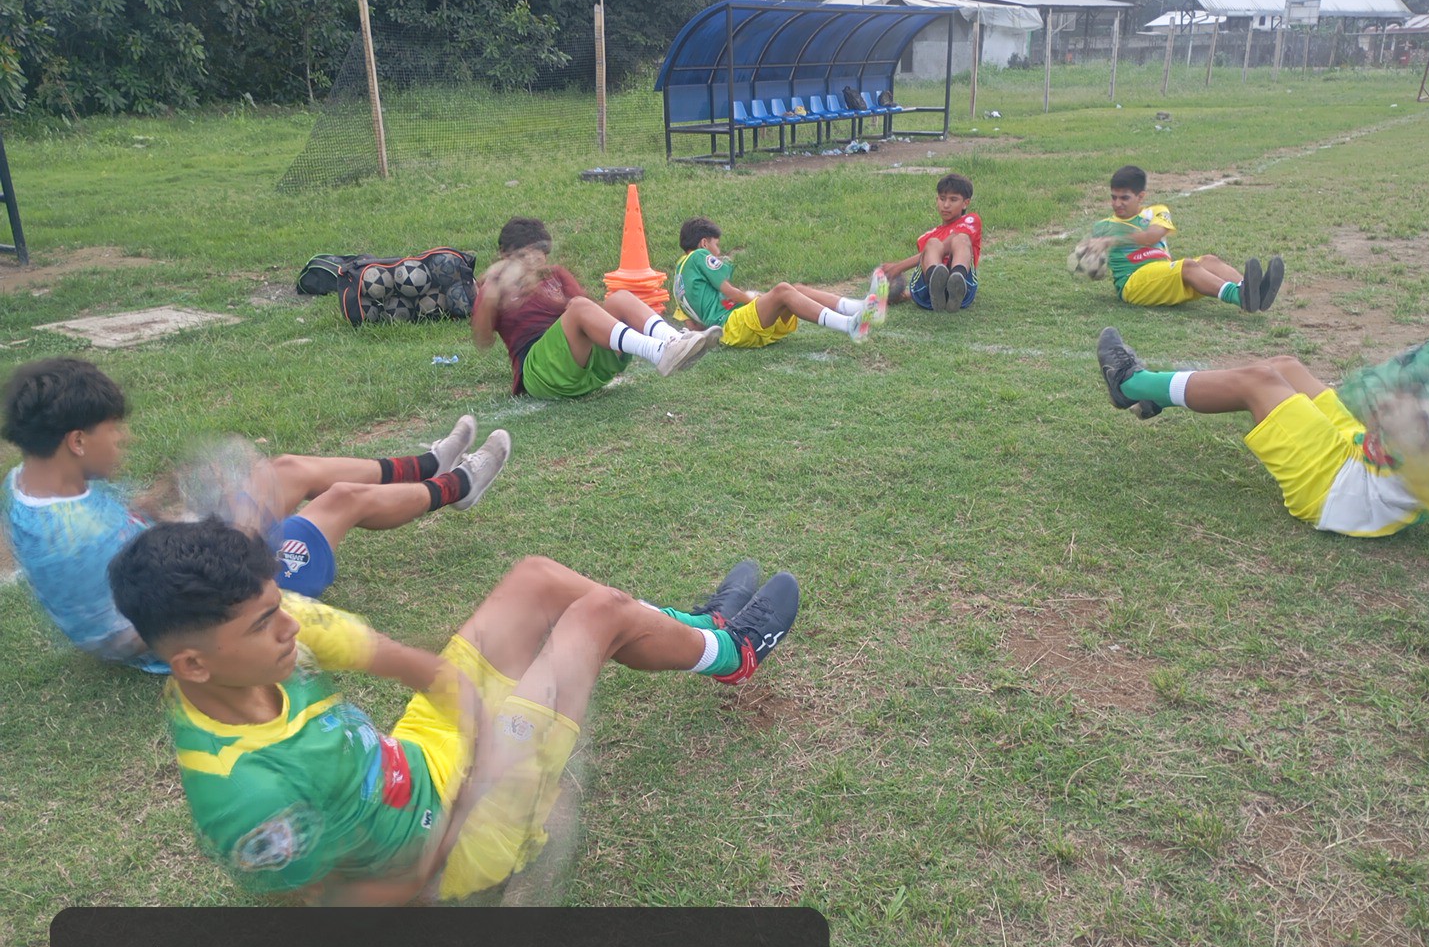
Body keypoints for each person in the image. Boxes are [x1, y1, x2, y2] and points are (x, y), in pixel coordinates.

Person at [108, 518, 801, 904]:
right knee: (599, 616)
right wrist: (474, 790)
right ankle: (732, 651)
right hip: (452, 848)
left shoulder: (263, 630)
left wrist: (470, 711)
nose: (290, 624)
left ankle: (703, 630)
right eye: (266, 622)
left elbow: (403, 662)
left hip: (423, 752)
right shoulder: (245, 797)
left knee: (537, 578)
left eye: (277, 605)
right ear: (193, 665)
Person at [0, 357, 509, 672]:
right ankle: (457, 487)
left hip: (178, 571)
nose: (124, 438)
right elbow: (135, 628)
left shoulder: (29, 482)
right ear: (77, 441)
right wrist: (235, 537)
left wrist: (164, 505)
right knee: (340, 500)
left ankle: (427, 464)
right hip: (213, 615)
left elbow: (119, 554)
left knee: (282, 469)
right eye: (113, 429)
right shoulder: (81, 537)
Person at [1097, 327, 1427, 537]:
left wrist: (1404, 413)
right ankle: (1156, 396)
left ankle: (1129, 384)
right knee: (1284, 367)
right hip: (1364, 452)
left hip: (1349, 490)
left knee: (1258, 382)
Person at [470, 217, 716, 399]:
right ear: (504, 256)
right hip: (542, 374)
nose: (534, 261)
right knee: (578, 307)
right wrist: (491, 297)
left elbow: (591, 312)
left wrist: (552, 298)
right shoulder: (495, 286)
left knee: (620, 298)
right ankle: (659, 352)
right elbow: (482, 340)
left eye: (539, 254)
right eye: (524, 256)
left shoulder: (555, 275)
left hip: (584, 364)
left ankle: (675, 341)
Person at [1091, 165, 1283, 313]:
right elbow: (1094, 271)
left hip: (1163, 275)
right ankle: (1240, 297)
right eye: (1113, 197)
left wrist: (1113, 240)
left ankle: (1255, 293)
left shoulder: (1157, 211)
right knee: (1187, 266)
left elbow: (1153, 236)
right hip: (1134, 284)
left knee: (1209, 260)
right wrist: (1091, 260)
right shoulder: (1103, 226)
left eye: (1124, 198)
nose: (1117, 204)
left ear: (1140, 196)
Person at [674, 217, 881, 347]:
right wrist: (754, 299)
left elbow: (692, 325)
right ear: (704, 243)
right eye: (716, 245)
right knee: (782, 290)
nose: (718, 252)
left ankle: (861, 307)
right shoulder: (698, 256)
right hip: (733, 324)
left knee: (794, 290)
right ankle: (848, 325)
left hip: (731, 331)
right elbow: (730, 291)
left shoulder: (679, 278)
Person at [879, 173, 982, 313]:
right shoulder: (926, 237)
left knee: (961, 239)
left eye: (953, 200)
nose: (946, 205)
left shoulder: (971, 220)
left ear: (965, 203)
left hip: (965, 291)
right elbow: (924, 262)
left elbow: (946, 246)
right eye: (942, 199)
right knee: (932, 243)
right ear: (936, 200)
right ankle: (935, 282)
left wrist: (899, 267)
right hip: (927, 295)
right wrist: (904, 295)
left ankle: (957, 281)